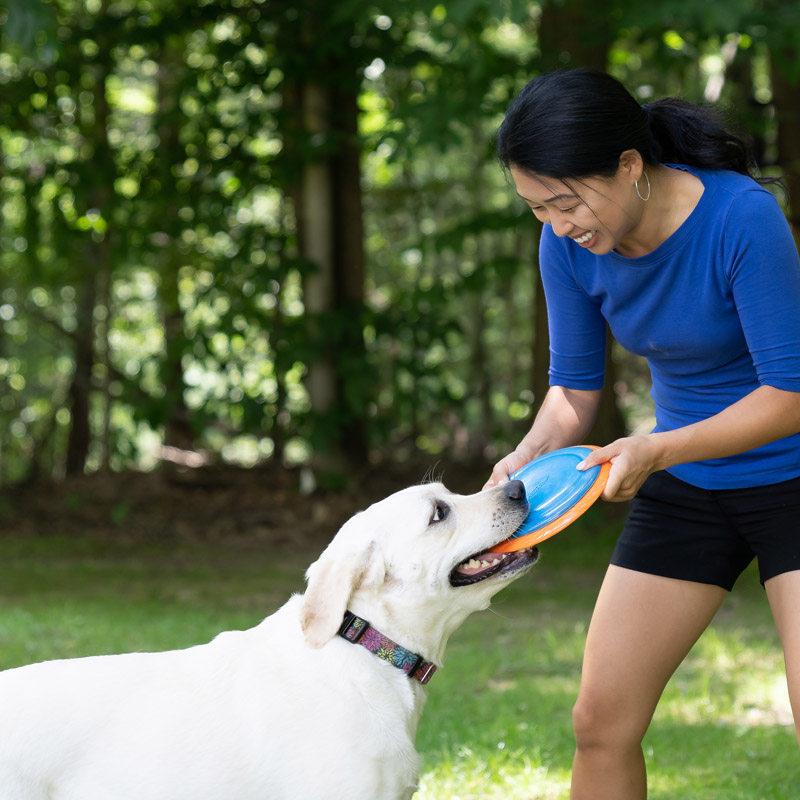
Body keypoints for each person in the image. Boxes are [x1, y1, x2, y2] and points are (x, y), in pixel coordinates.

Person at [485, 68, 800, 799]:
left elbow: (789, 396)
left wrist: (657, 447)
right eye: (537, 209)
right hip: (688, 484)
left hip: (790, 477)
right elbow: (573, 390)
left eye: (566, 202)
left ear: (630, 166)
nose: (557, 225)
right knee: (601, 721)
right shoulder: (567, 247)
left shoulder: (740, 217)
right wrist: (527, 457)